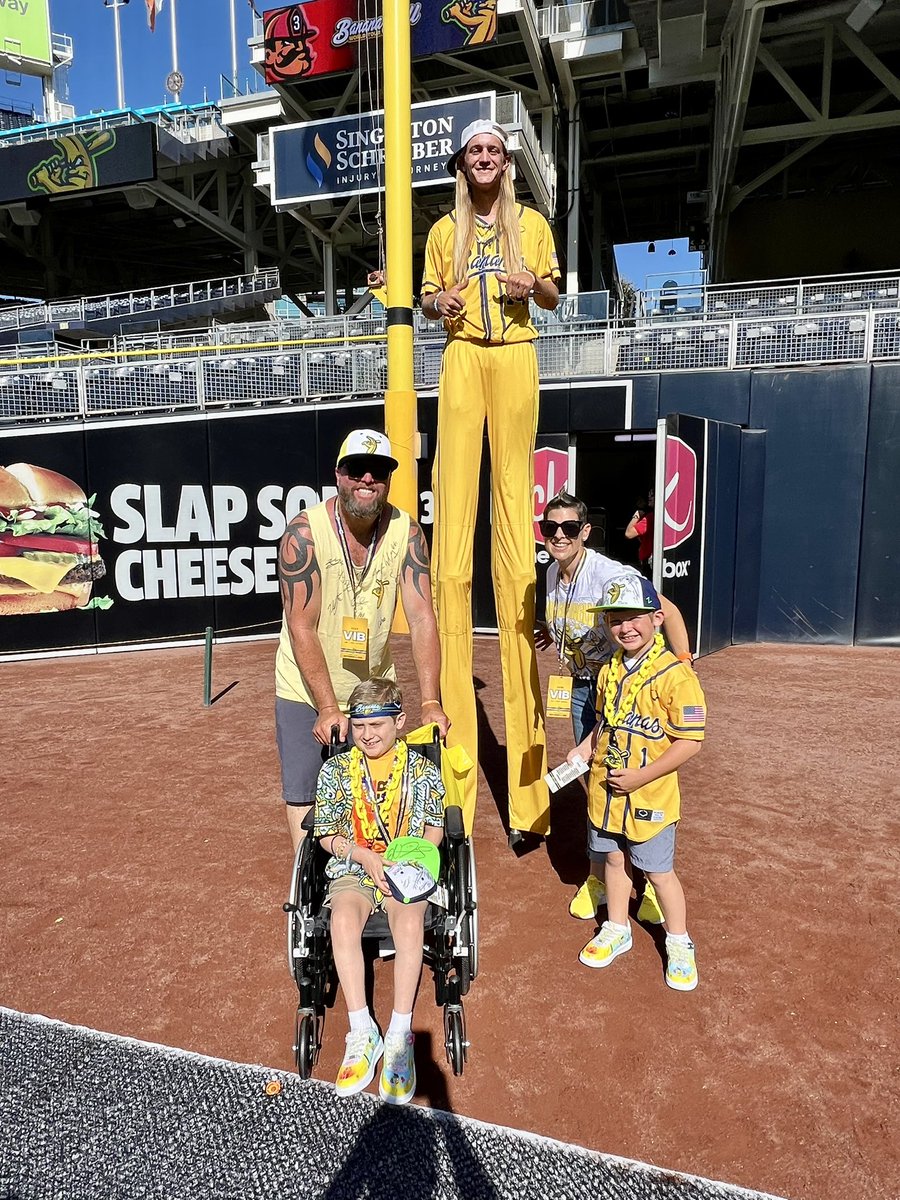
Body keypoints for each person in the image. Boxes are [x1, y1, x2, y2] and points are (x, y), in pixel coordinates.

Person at [421, 118, 560, 846]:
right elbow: (425, 298)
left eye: (494, 152)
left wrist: (531, 282)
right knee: (451, 550)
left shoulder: (530, 224)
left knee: (513, 543)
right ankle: (455, 797)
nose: (485, 159)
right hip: (461, 356)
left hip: (514, 354)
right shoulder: (443, 230)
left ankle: (529, 803)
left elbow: (554, 295)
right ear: (462, 162)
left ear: (506, 163)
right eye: (475, 151)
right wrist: (437, 303)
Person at [276, 428, 449, 852]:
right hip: (305, 688)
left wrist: (430, 701)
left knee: (384, 789)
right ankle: (308, 875)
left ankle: (375, 876)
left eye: (378, 471)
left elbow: (422, 617)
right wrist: (327, 706)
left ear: (388, 479)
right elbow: (301, 626)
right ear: (339, 474)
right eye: (357, 469)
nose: (367, 479)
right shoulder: (304, 534)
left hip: (372, 688)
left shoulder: (407, 532)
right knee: (305, 792)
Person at [535, 491, 693, 922]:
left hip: (627, 689)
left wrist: (683, 662)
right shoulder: (551, 573)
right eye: (550, 528)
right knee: (597, 779)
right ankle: (600, 876)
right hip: (582, 689)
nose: (559, 536)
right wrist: (554, 633)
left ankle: (653, 881)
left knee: (641, 778)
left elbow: (666, 610)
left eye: (569, 528)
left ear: (585, 531)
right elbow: (570, 619)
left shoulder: (608, 574)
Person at [568, 575, 706, 991]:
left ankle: (679, 941)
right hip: (607, 789)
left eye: (634, 618)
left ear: (657, 619)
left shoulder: (677, 675)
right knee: (613, 860)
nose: (625, 628)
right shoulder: (609, 669)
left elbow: (691, 741)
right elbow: (604, 721)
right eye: (615, 620)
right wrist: (584, 748)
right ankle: (617, 927)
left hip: (650, 793)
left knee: (659, 872)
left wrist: (642, 776)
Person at [314, 678, 445, 1103]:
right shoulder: (336, 771)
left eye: (377, 725)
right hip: (355, 862)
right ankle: (361, 1030)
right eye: (358, 726)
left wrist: (412, 859)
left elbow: (435, 826)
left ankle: (399, 1032)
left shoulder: (422, 770)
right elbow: (325, 834)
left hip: (404, 867)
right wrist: (361, 854)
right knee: (342, 919)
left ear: (400, 722)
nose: (367, 735)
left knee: (409, 924)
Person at [625, 488, 655, 578]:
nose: (649, 497)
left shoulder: (650, 518)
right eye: (649, 495)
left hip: (648, 561)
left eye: (652, 495)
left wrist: (637, 515)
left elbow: (629, 533)